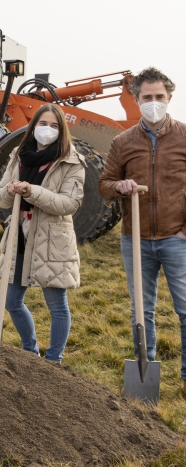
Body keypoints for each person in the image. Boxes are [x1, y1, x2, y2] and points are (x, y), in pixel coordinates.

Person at [99, 67, 186, 391]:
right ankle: (145, 371)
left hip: (177, 237)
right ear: (136, 99)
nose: (153, 103)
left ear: (169, 98)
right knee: (141, 310)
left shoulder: (184, 136)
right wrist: (119, 186)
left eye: (158, 97)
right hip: (135, 239)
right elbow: (104, 185)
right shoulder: (122, 141)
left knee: (185, 309)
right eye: (146, 97)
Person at [0, 104, 84, 360]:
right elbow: (0, 197)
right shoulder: (18, 155)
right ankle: (30, 351)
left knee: (57, 305)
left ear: (62, 130)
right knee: (12, 301)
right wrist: (10, 190)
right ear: (33, 127)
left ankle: (54, 360)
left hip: (52, 239)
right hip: (19, 236)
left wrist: (32, 191)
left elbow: (69, 204)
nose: (47, 130)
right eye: (42, 124)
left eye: (54, 126)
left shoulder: (71, 161)